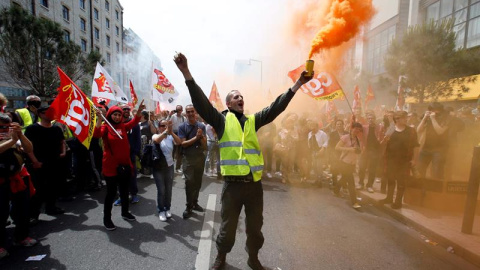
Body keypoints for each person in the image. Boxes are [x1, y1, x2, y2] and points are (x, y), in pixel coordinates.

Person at [174, 52, 313, 270]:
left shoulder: (252, 121)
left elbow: (276, 107)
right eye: (236, 96)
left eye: (242, 96)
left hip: (254, 186)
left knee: (255, 227)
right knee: (228, 227)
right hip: (232, 187)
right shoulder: (220, 120)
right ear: (229, 103)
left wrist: (298, 84)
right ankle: (221, 257)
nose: (241, 99)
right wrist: (186, 72)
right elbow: (201, 103)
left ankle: (253, 258)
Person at [93, 100, 145, 231]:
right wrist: (99, 119)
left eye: (119, 115)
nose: (117, 117)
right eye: (114, 114)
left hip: (125, 166)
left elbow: (133, 123)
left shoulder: (123, 126)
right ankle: (107, 219)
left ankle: (125, 212)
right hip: (110, 168)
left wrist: (138, 113)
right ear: (110, 115)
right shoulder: (106, 127)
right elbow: (96, 134)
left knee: (124, 191)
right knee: (111, 194)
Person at [0, 113, 37, 259]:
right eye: (1, 127)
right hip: (1, 181)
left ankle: (21, 237)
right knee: (0, 214)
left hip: (17, 178)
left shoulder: (14, 137)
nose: (4, 130)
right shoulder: (9, 140)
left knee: (22, 209)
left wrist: (19, 135)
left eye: (7, 126)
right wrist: (11, 141)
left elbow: (28, 148)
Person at [25, 105, 66, 222]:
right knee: (38, 190)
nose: (52, 114)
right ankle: (33, 215)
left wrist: (62, 152)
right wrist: (35, 161)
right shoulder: (32, 129)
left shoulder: (56, 129)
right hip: (39, 164)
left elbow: (61, 141)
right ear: (41, 114)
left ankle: (51, 207)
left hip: (54, 163)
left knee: (53, 187)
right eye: (48, 112)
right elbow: (27, 147)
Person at [380, 111, 419, 209]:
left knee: (401, 181)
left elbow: (416, 146)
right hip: (390, 160)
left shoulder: (411, 131)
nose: (406, 119)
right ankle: (389, 198)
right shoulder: (391, 130)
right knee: (391, 179)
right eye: (404, 118)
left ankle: (398, 202)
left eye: (406, 117)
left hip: (405, 160)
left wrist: (414, 160)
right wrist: (384, 141)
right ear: (397, 119)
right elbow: (383, 145)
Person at [178, 104, 207, 219]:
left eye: (192, 111)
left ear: (196, 113)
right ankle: (188, 206)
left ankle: (195, 202)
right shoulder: (182, 127)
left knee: (198, 183)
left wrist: (202, 137)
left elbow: (205, 146)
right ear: (185, 113)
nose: (190, 114)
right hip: (188, 158)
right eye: (188, 112)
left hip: (199, 158)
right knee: (189, 182)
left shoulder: (201, 126)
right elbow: (183, 144)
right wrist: (196, 137)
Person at [152, 119, 181, 221]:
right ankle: (161, 210)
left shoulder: (170, 136)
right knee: (161, 190)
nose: (164, 127)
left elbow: (179, 142)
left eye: (166, 126)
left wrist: (171, 132)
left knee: (168, 189)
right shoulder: (155, 136)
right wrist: (166, 131)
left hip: (169, 166)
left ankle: (167, 208)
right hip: (158, 168)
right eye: (162, 126)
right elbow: (157, 141)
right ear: (158, 127)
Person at [114, 105, 141, 205]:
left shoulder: (134, 124)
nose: (126, 111)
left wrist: (135, 153)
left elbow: (138, 140)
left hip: (130, 155)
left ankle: (134, 194)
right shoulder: (116, 124)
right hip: (118, 156)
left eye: (127, 109)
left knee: (132, 175)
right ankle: (122, 196)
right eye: (123, 109)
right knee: (119, 177)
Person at [416, 102, 450, 179]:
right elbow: (418, 130)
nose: (434, 112)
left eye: (436, 110)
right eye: (431, 110)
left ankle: (435, 189)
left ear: (440, 110)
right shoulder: (427, 117)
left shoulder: (446, 118)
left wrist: (433, 119)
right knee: (420, 169)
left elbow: (440, 131)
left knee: (436, 172)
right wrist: (424, 118)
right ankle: (421, 188)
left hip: (440, 149)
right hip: (426, 148)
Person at [334, 122, 363, 209]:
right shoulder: (345, 137)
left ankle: (336, 189)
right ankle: (354, 202)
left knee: (344, 179)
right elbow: (337, 147)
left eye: (358, 129)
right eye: (355, 128)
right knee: (351, 182)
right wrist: (349, 149)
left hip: (352, 163)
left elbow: (358, 152)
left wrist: (358, 151)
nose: (356, 131)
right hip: (344, 162)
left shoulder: (358, 139)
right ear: (351, 128)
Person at [357, 111, 384, 193]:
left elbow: (382, 137)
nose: (370, 120)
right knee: (362, 167)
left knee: (372, 169)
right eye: (369, 118)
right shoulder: (363, 127)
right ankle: (361, 183)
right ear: (367, 119)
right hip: (365, 149)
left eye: (372, 118)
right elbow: (357, 133)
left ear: (375, 119)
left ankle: (369, 185)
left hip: (374, 150)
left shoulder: (379, 127)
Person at [167, 105, 186, 173]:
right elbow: (167, 123)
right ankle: (170, 166)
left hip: (180, 134)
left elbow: (185, 125)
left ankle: (178, 167)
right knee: (172, 151)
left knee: (180, 152)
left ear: (181, 110)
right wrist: (169, 115)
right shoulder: (173, 116)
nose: (178, 111)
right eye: (177, 110)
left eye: (179, 110)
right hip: (173, 133)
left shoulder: (184, 118)